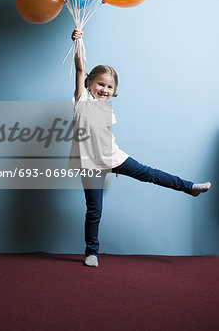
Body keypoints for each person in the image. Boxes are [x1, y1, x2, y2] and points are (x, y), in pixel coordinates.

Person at [68, 29, 211, 268]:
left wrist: (113, 165)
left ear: (114, 91)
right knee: (94, 211)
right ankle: (91, 252)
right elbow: (80, 67)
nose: (104, 89)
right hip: (90, 165)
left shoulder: (108, 110)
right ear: (90, 83)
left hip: (112, 158)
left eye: (109, 87)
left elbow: (108, 137)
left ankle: (190, 187)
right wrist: (78, 42)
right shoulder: (81, 100)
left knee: (150, 174)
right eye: (100, 84)